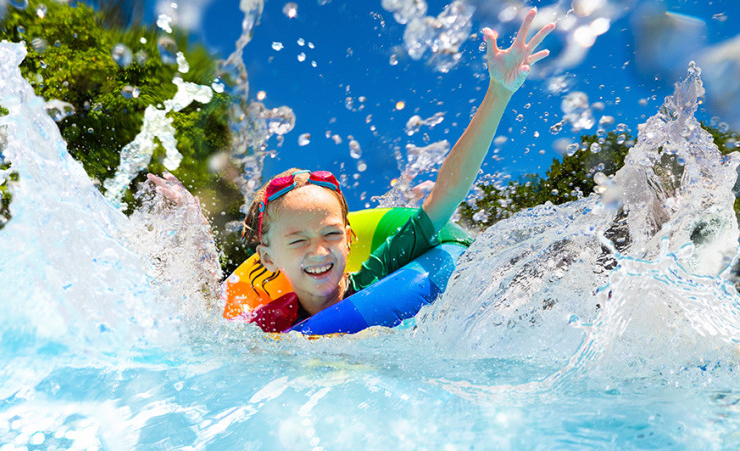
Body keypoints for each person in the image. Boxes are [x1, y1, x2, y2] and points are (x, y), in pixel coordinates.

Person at [150, 9, 555, 332]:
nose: (319, 250)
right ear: (267, 259)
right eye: (297, 240)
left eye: (330, 233)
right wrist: (191, 229)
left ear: (350, 238)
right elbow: (204, 325)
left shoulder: (378, 274)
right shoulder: (265, 323)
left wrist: (499, 93)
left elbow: (444, 198)